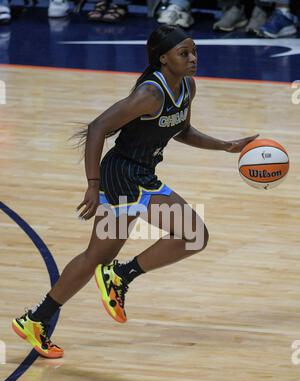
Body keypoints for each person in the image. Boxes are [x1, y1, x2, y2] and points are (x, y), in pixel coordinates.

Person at [12, 25, 258, 359]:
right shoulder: (149, 95)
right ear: (163, 58)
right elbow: (98, 127)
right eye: (184, 53)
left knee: (95, 257)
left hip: (140, 174)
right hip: (122, 178)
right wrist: (93, 185)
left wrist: (225, 146)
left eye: (194, 51)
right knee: (193, 234)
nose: (193, 59)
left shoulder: (187, 87)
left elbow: (180, 129)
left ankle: (35, 320)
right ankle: (120, 276)